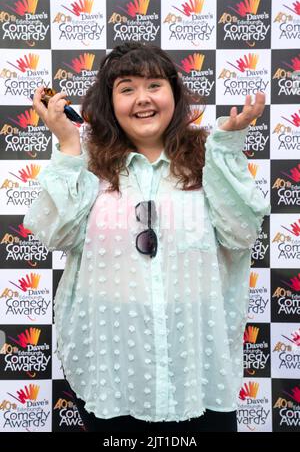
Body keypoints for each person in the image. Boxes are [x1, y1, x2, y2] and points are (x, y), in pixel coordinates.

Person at [24, 42, 270, 433]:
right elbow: (57, 235)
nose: (142, 99)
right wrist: (68, 145)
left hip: (196, 377)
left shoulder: (208, 158)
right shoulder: (89, 164)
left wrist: (226, 150)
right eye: (126, 88)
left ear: (174, 94)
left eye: (154, 85)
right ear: (110, 102)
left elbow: (240, 234)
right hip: (112, 375)